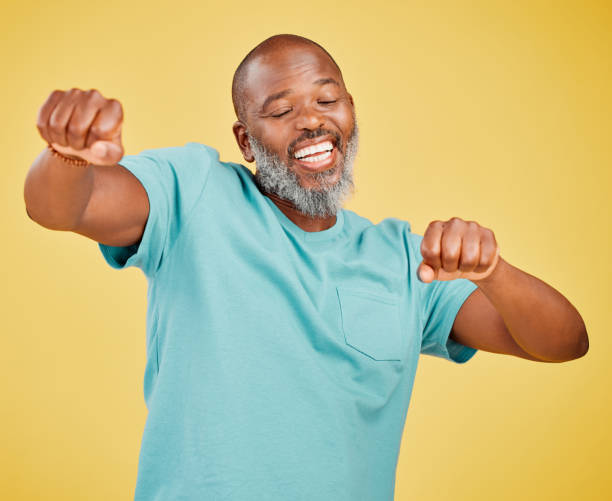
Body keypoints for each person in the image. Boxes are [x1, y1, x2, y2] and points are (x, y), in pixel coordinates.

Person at [24, 33, 588, 501]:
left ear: (350, 113)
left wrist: (493, 272)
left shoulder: (405, 260)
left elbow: (564, 342)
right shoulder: (192, 193)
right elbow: (61, 208)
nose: (312, 122)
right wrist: (69, 155)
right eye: (281, 111)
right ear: (246, 140)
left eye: (327, 100)